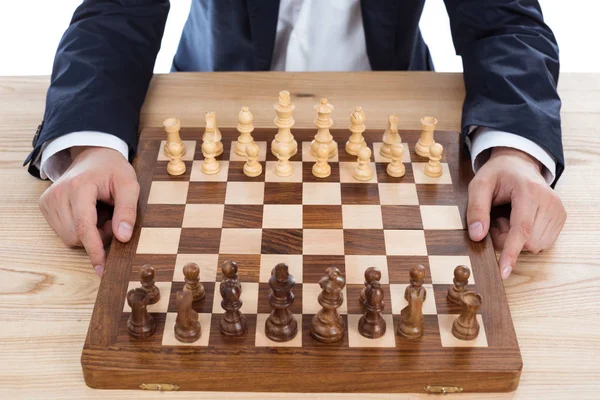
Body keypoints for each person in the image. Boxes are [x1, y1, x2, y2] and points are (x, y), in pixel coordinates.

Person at [25, 0, 566, 278]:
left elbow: (505, 20)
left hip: (389, 111)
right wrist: (91, 146)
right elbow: (117, 12)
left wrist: (515, 150)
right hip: (215, 106)